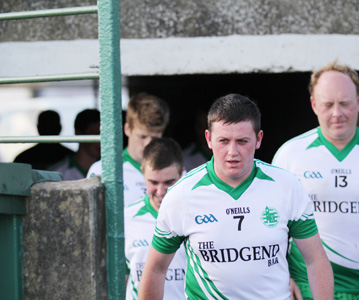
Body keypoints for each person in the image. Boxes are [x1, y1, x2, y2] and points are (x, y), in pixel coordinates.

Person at [138, 94, 333, 300]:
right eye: (223, 141)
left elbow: (316, 260)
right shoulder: (182, 194)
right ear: (208, 139)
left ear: (258, 139)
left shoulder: (287, 186)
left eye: (242, 141)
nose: (233, 152)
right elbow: (155, 269)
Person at [272, 61, 359, 299]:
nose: (337, 113)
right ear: (314, 105)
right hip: (307, 285)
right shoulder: (290, 155)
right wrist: (282, 275)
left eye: (344, 103)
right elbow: (271, 222)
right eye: (328, 105)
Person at [125, 137, 186, 300]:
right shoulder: (126, 219)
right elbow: (119, 281)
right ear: (142, 172)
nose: (160, 191)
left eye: (169, 182)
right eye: (153, 182)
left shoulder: (196, 215)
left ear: (182, 173)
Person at [87, 93, 170, 207]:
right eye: (142, 136)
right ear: (127, 129)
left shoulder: (174, 171)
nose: (148, 144)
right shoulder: (101, 170)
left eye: (155, 138)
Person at [50, 109, 101, 180]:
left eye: (103, 135)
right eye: (95, 134)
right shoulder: (58, 173)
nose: (100, 140)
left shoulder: (110, 169)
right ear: (78, 133)